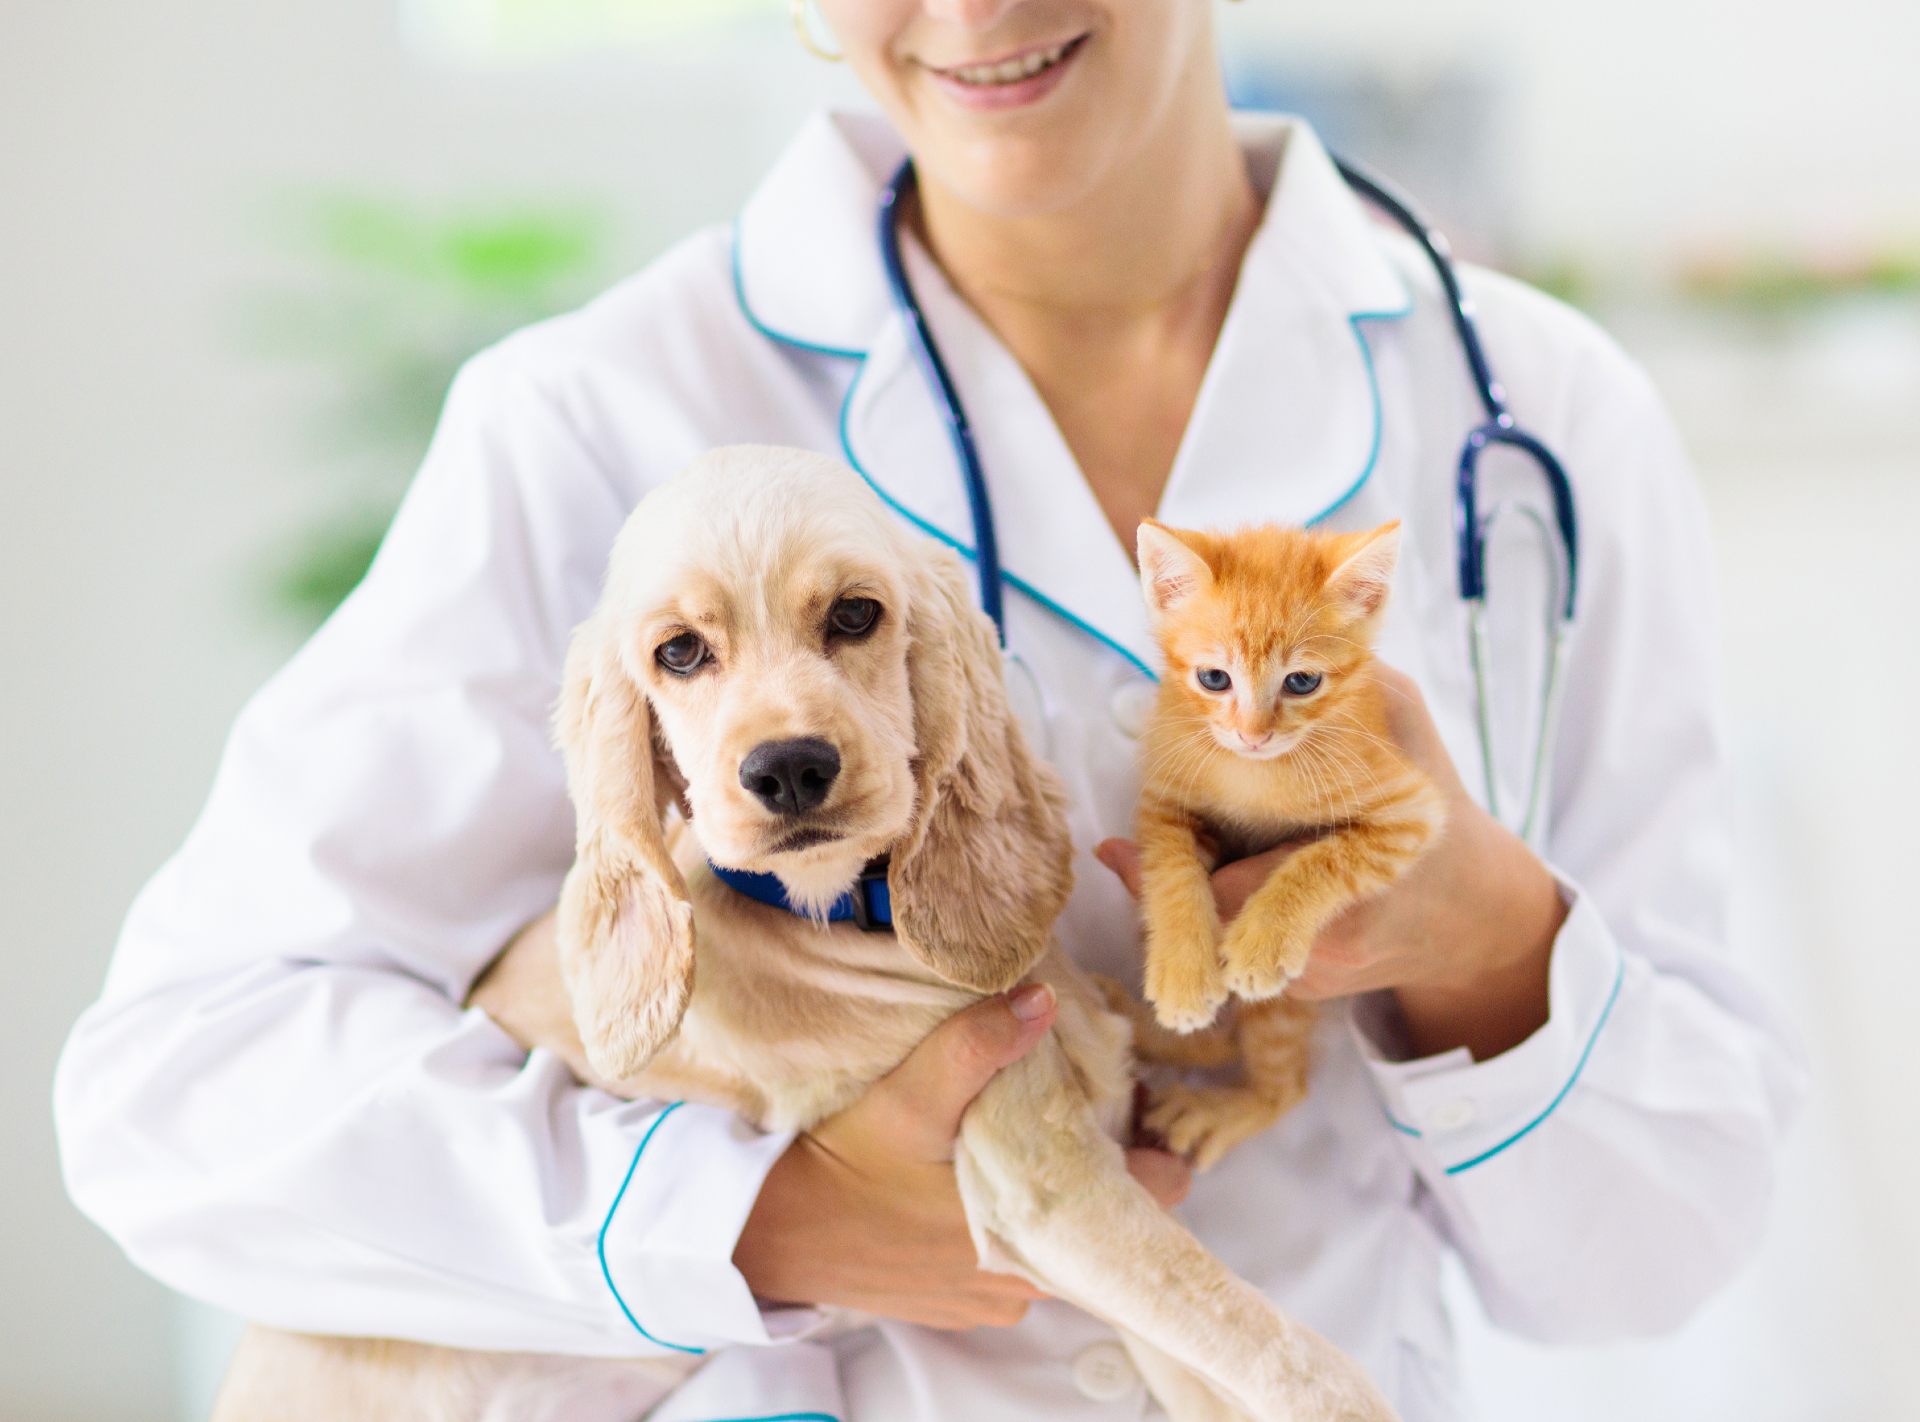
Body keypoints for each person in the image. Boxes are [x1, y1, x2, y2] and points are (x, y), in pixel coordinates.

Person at [55, 2, 1805, 1418]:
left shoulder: (1541, 417)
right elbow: (175, 1099)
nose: (974, 8)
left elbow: (1651, 1253)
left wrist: (1486, 931)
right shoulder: (593, 421)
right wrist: (757, 1216)